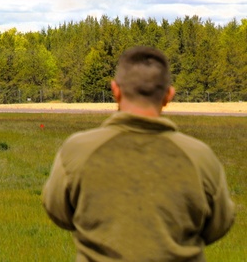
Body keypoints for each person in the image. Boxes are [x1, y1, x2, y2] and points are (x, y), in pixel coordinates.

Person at [42, 46, 235, 261]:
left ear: (115, 90)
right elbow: (219, 225)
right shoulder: (200, 156)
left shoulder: (78, 150)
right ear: (169, 95)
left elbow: (58, 211)